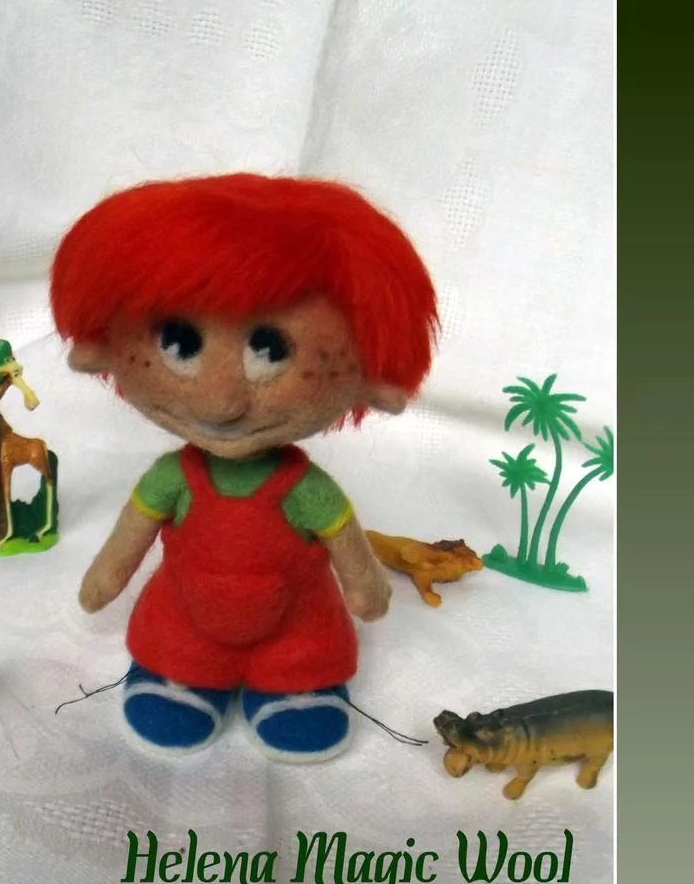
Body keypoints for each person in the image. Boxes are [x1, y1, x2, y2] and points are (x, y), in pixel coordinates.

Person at [50, 173, 438, 762]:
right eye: (181, 343)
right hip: (183, 618)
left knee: (303, 652)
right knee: (176, 645)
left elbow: (345, 543)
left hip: (298, 624)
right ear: (103, 343)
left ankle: (294, 684)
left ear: (369, 372)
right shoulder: (171, 480)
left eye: (270, 351)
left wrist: (365, 586)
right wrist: (105, 577)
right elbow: (131, 534)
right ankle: (180, 676)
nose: (221, 403)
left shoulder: (306, 490)